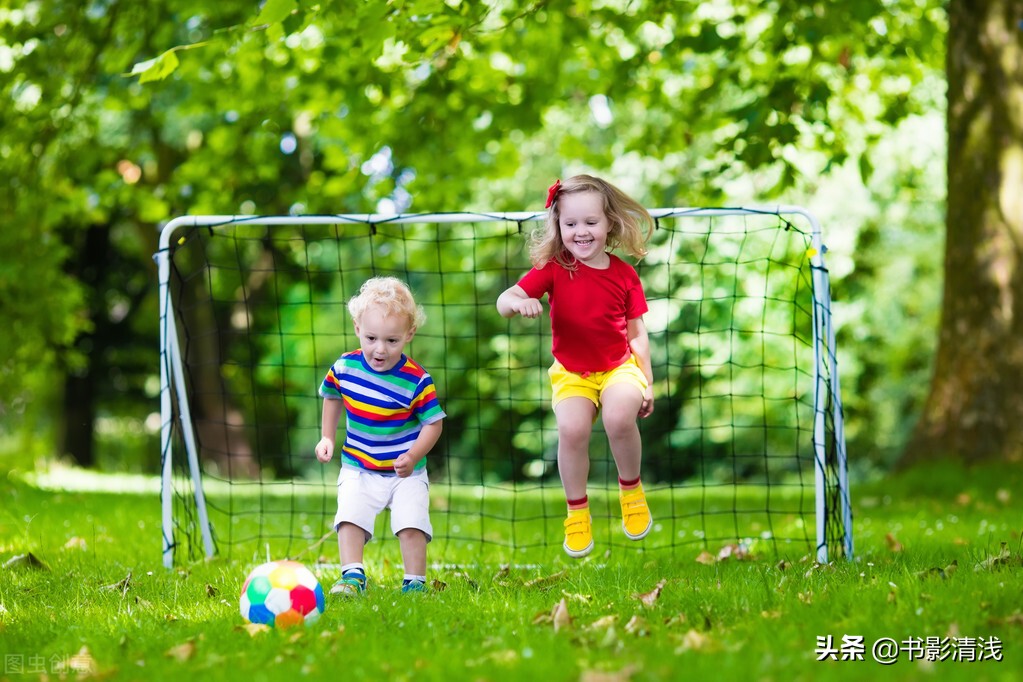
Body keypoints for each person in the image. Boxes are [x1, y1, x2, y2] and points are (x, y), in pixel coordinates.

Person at [496, 174, 656, 558]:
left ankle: (631, 491)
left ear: (609, 223)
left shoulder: (625, 274)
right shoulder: (554, 268)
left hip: (619, 368)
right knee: (571, 430)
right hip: (571, 373)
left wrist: (647, 381)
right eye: (570, 223)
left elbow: (637, 333)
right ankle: (577, 513)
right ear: (558, 225)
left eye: (590, 222)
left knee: (619, 418)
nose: (580, 231)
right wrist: (518, 302)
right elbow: (505, 300)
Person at [316, 276, 445, 594]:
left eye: (392, 340)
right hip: (359, 466)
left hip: (406, 472)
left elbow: (433, 424)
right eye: (371, 338)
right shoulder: (345, 368)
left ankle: (414, 582)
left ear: (409, 335)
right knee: (350, 516)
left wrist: (413, 456)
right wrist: (327, 437)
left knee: (411, 523)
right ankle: (352, 576)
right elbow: (332, 396)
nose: (380, 349)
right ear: (357, 328)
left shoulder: (417, 380)